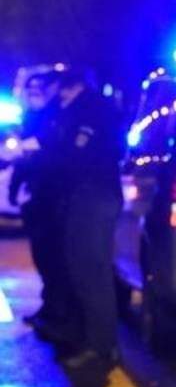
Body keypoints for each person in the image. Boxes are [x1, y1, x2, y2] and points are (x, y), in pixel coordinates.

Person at [36, 68, 125, 369]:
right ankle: (96, 340)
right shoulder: (84, 107)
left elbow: (73, 153)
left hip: (92, 197)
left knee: (90, 271)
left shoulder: (90, 109)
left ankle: (101, 345)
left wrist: (41, 150)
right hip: (87, 196)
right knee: (84, 269)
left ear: (66, 87)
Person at [10, 68, 71, 340]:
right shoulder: (31, 118)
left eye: (38, 90)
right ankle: (50, 308)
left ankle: (57, 312)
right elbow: (23, 160)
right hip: (35, 195)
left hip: (50, 197)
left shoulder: (53, 118)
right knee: (42, 255)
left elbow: (46, 157)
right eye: (30, 90)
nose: (33, 95)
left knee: (52, 257)